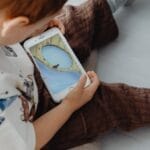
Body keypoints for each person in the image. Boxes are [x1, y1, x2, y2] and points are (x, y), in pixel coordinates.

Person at [1, 0, 149, 150]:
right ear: (17, 24)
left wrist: (36, 28)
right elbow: (31, 142)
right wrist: (69, 105)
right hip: (37, 124)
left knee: (73, 22)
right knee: (103, 102)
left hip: (24, 66)